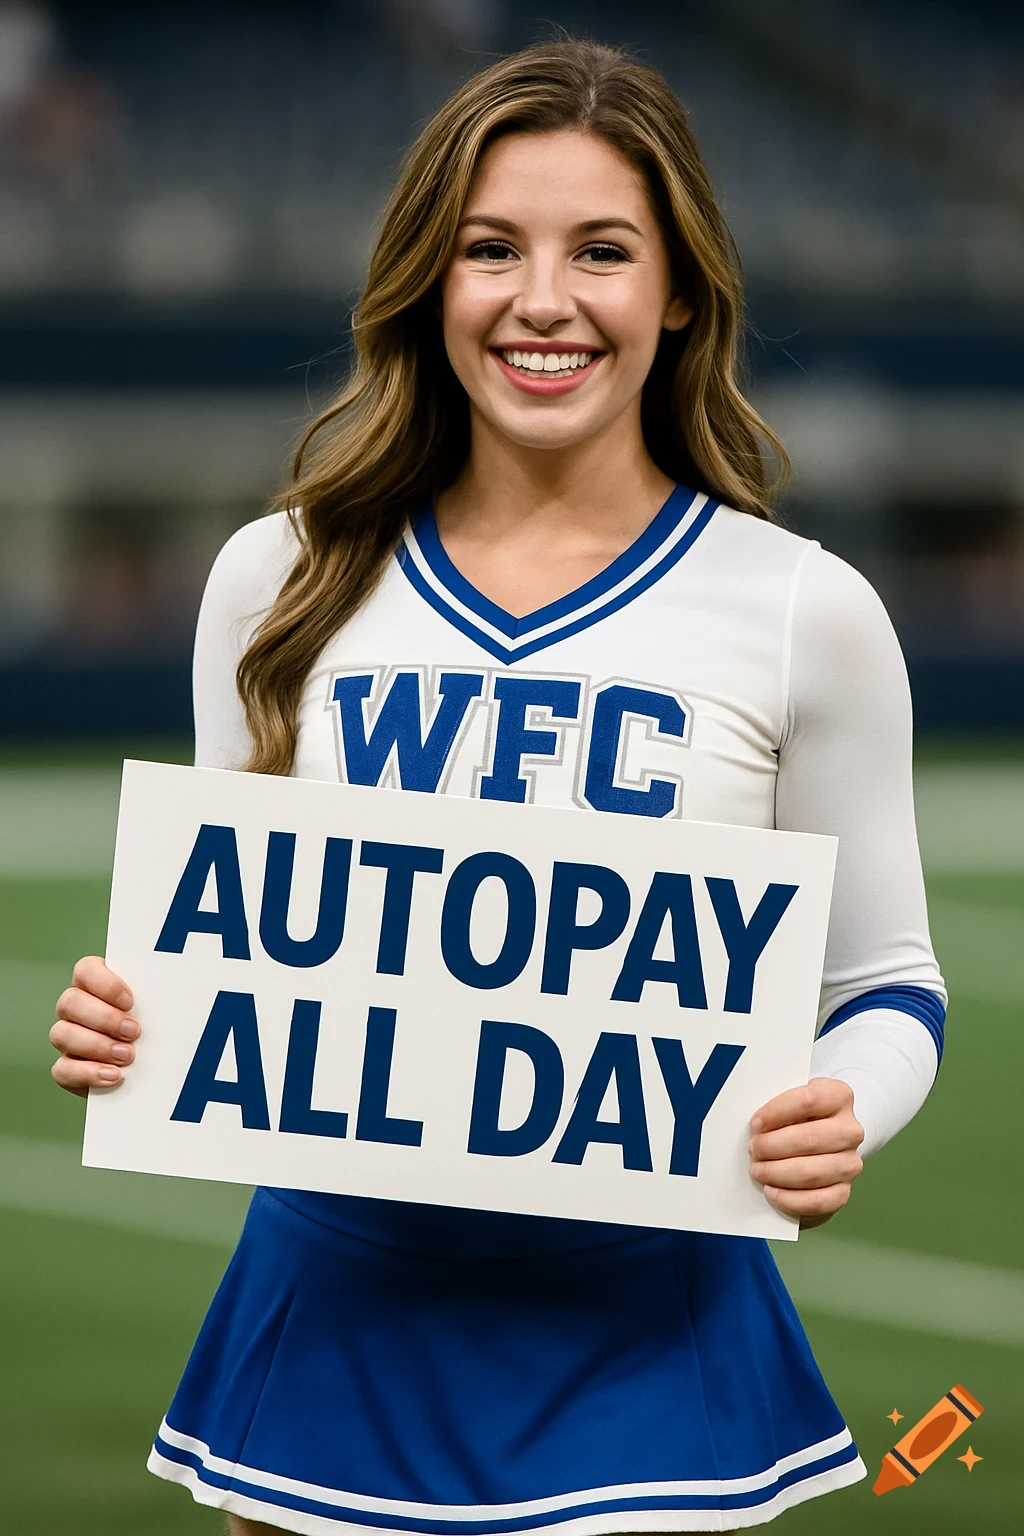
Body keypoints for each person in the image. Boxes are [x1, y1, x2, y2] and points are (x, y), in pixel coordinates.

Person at [49, 38, 946, 1536]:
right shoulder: (276, 580)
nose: (542, 299)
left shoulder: (807, 609)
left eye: (601, 250)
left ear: (679, 290)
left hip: (652, 1326)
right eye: (490, 250)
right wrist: (131, 1019)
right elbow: (232, 946)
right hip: (331, 1318)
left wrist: (839, 1105)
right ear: (429, 280)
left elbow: (892, 987)